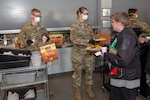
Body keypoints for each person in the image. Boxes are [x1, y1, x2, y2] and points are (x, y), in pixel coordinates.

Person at [101, 12, 141, 100]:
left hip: (127, 78)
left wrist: (106, 55)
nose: (111, 24)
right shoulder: (121, 34)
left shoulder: (127, 36)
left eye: (113, 22)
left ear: (120, 22)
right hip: (120, 76)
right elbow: (119, 51)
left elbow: (121, 60)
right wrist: (108, 52)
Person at [17, 8, 53, 96]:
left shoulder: (42, 27)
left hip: (43, 52)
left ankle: (46, 89)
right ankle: (30, 92)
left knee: (44, 72)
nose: (38, 18)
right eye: (36, 16)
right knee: (32, 74)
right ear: (31, 15)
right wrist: (27, 41)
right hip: (32, 54)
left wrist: (47, 38)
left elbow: (47, 37)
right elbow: (20, 41)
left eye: (39, 16)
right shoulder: (26, 28)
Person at [70, 7, 96, 100]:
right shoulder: (74, 26)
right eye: (84, 13)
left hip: (89, 52)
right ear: (79, 14)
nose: (86, 16)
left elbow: (92, 36)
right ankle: (77, 90)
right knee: (78, 72)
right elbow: (73, 39)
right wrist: (87, 41)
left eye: (87, 14)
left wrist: (94, 41)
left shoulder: (89, 25)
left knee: (90, 70)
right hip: (78, 53)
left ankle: (88, 88)